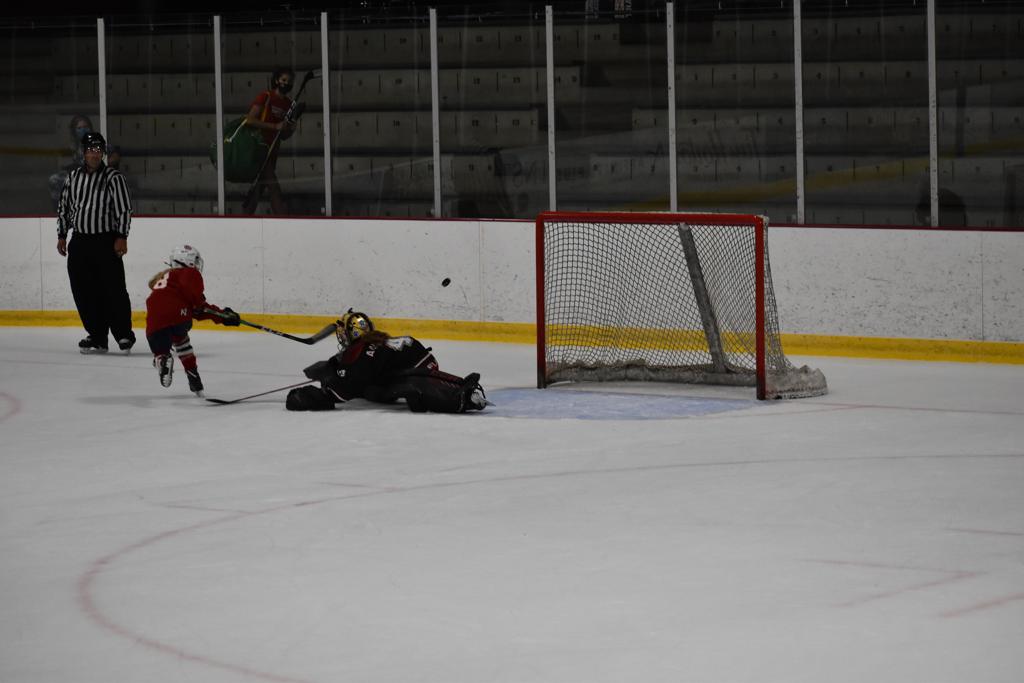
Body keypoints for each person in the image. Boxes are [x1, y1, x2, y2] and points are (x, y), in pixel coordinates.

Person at [286, 309, 488, 413]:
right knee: (375, 390)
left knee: (395, 388)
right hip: (424, 360)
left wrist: (322, 392)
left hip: (417, 372)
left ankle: (461, 398)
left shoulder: (362, 351)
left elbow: (348, 387)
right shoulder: (377, 341)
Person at [56, 130, 136, 354]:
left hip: (105, 241)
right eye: (91, 150)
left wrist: (122, 236)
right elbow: (64, 207)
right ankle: (98, 336)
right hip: (80, 242)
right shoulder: (73, 177)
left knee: (114, 289)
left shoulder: (113, 178)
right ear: (83, 152)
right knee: (84, 291)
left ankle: (123, 335)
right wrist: (62, 235)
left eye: (99, 150)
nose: (95, 154)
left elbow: (124, 210)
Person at [145, 244, 241, 396]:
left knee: (162, 347)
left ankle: (161, 360)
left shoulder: (165, 280)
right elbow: (199, 307)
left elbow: (192, 308)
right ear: (187, 261)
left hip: (154, 323)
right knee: (182, 340)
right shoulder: (190, 273)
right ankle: (193, 376)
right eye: (195, 260)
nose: (197, 265)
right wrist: (223, 316)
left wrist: (220, 316)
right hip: (179, 317)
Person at [241, 67, 298, 215]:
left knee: (260, 187)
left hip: (273, 150)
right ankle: (282, 218)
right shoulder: (265, 96)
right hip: (259, 148)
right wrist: (274, 126)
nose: (286, 83)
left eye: (289, 81)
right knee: (273, 186)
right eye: (283, 80)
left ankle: (245, 217)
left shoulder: (289, 104)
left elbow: (283, 136)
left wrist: (291, 128)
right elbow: (249, 120)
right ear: (277, 80)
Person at [48, 114, 94, 211]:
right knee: (54, 180)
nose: (83, 130)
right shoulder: (72, 146)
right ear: (74, 131)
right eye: (79, 128)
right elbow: (67, 164)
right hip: (75, 174)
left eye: (85, 127)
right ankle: (60, 211)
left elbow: (112, 156)